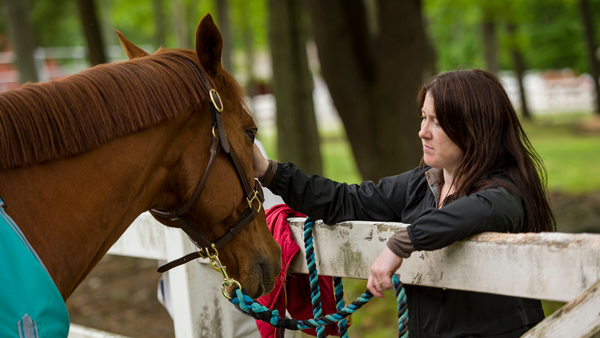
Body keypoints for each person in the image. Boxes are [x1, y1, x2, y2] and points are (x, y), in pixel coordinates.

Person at [252, 69, 555, 338]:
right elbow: (347, 200)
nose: (423, 131)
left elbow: (476, 210)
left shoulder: (505, 191)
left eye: (437, 121)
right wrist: (269, 172)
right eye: (424, 117)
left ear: (474, 127)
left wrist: (401, 243)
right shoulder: (420, 183)